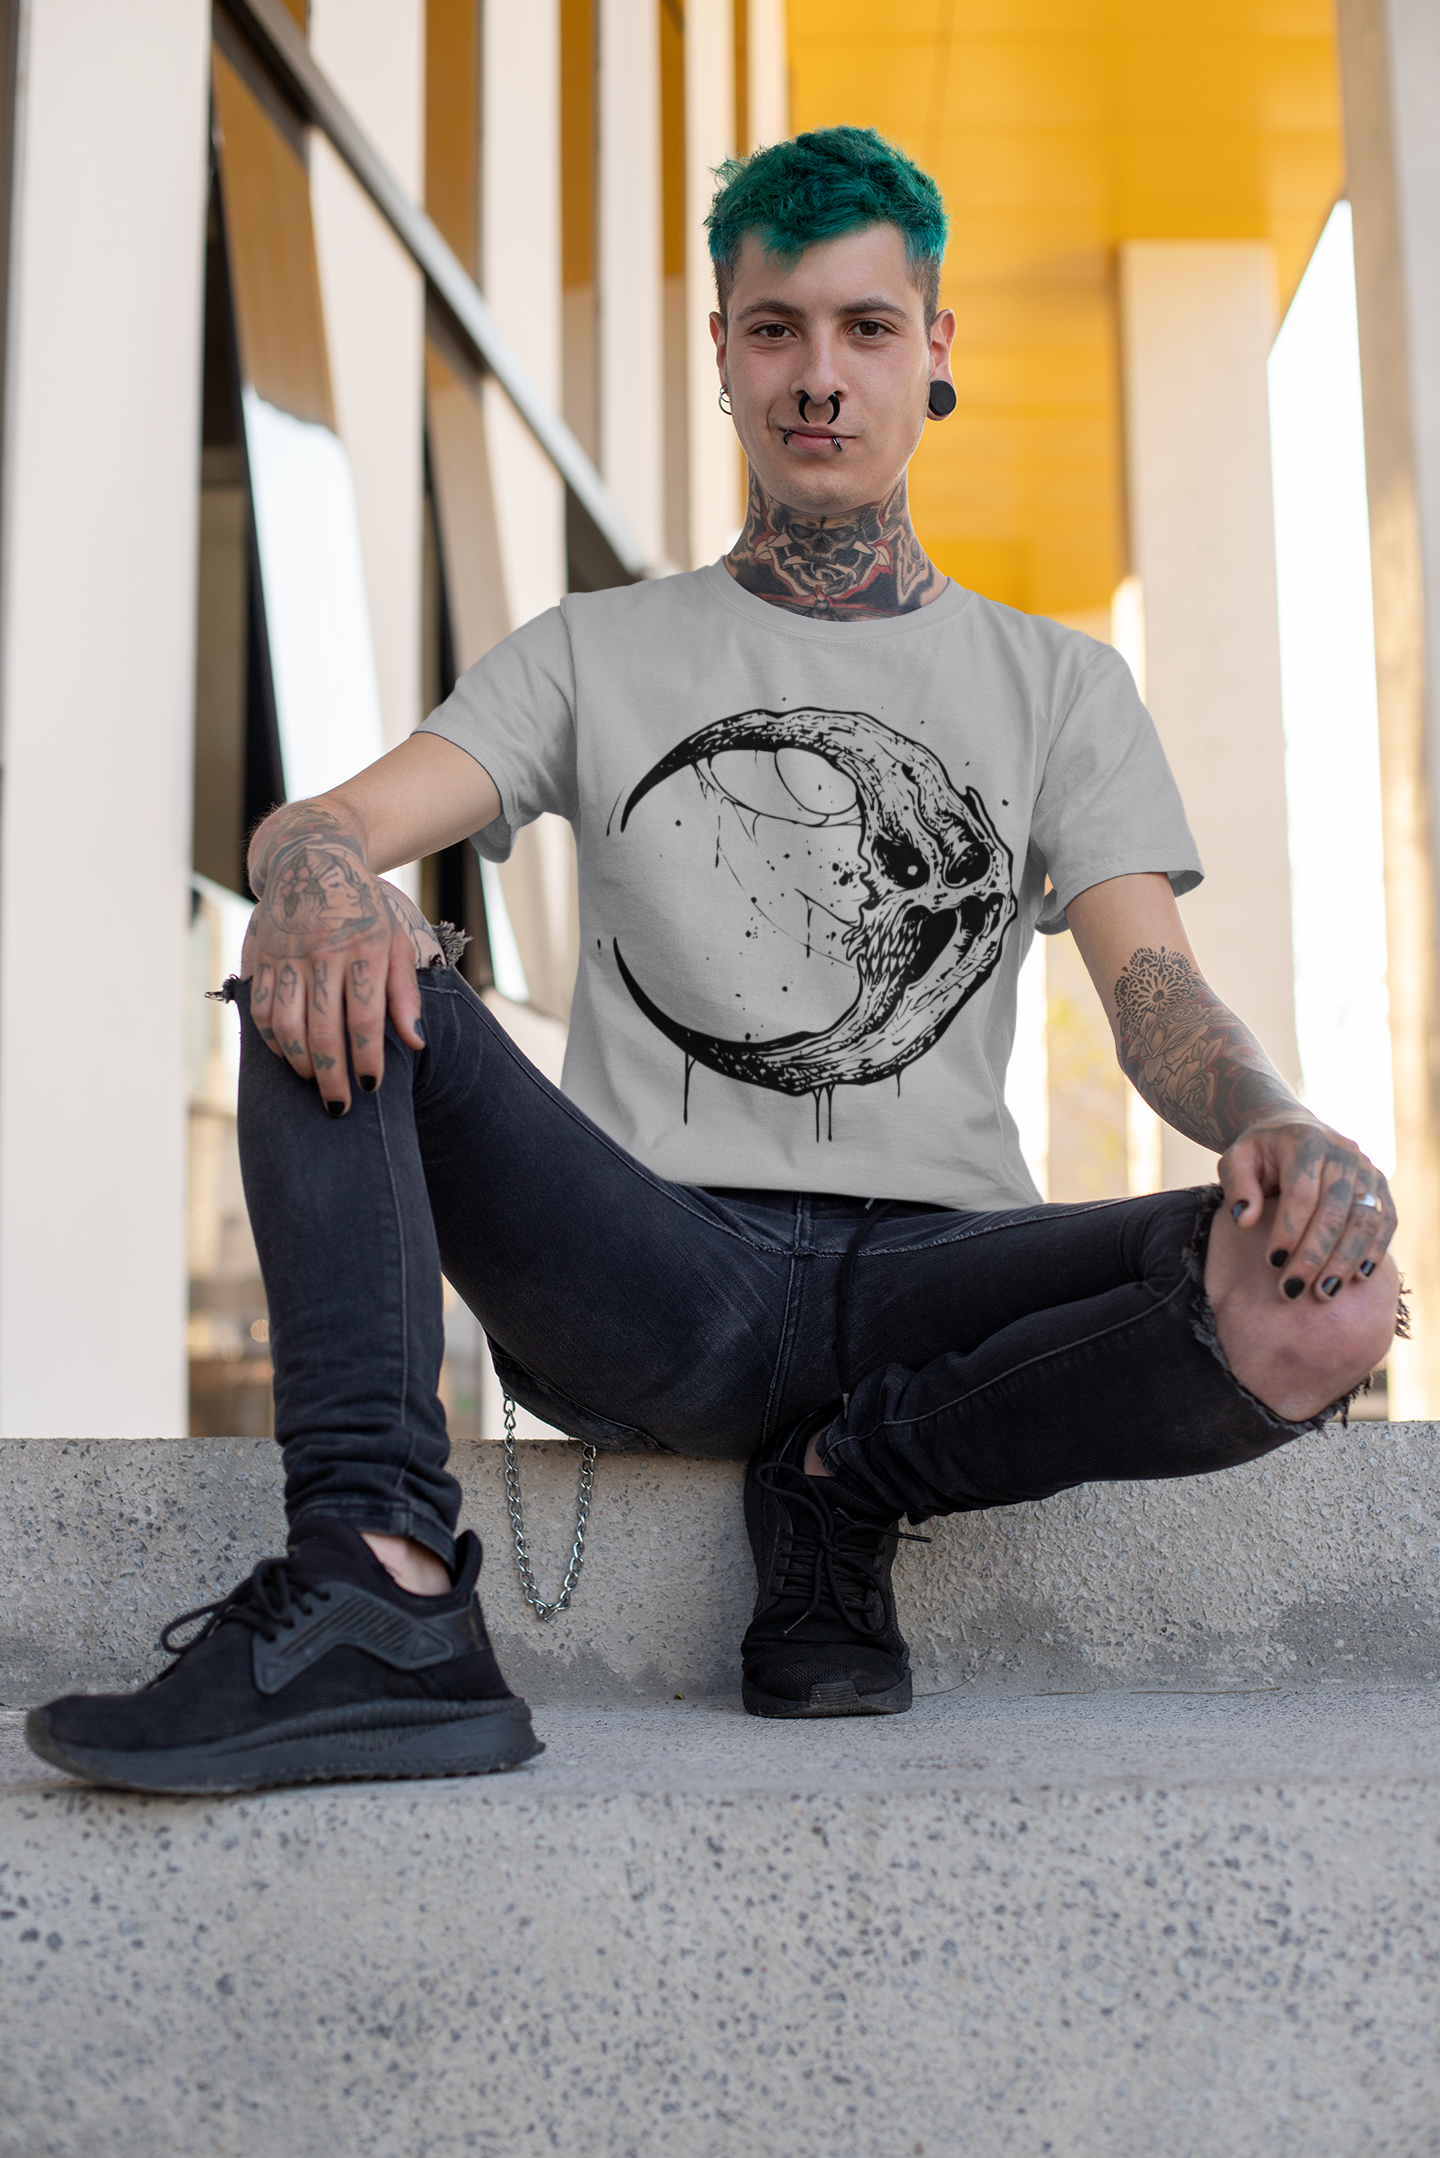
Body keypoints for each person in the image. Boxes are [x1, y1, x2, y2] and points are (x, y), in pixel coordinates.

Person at [27, 128, 1399, 1792]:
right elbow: (327, 823)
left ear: (934, 349)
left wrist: (1273, 1118)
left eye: (866, 329)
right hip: (658, 1272)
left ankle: (848, 1482)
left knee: (1329, 1295)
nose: (819, 376)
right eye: (776, 330)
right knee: (322, 949)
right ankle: (381, 1586)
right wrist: (316, 875)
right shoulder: (596, 649)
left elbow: (1153, 993)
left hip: (943, 1291)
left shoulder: (1060, 685)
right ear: (724, 354)